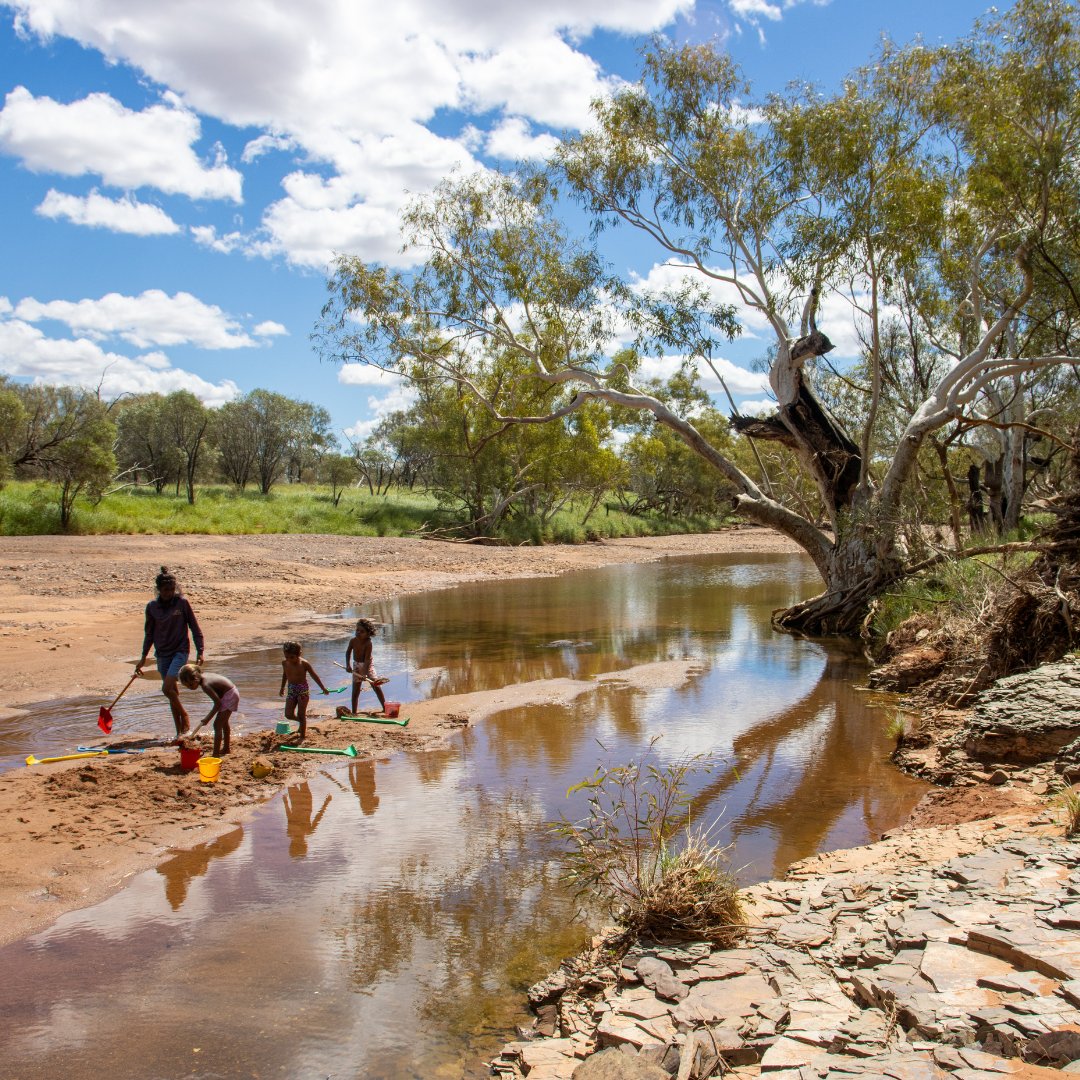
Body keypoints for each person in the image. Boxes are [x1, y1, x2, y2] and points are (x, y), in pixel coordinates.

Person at [135, 566, 204, 739]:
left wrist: (200, 650)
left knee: (166, 687)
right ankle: (179, 732)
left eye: (172, 590)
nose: (169, 593)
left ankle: (185, 717)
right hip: (162, 653)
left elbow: (194, 627)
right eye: (166, 590)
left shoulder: (182, 603)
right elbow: (149, 633)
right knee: (171, 692)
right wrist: (143, 657)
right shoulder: (152, 607)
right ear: (158, 590)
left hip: (180, 651)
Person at [178, 664, 238, 757]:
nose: (190, 688)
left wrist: (207, 718)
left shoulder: (205, 685)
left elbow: (217, 704)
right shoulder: (203, 677)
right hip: (229, 693)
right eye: (187, 686)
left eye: (190, 684)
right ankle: (226, 748)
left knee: (217, 725)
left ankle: (215, 754)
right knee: (224, 723)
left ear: (196, 678)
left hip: (229, 696)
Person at [279, 641, 328, 741]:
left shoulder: (304, 664)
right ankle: (302, 723)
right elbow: (285, 675)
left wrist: (323, 688)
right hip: (291, 689)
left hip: (303, 691)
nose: (289, 659)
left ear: (299, 654)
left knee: (301, 714)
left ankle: (302, 736)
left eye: (291, 657)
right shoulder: (285, 663)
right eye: (286, 657)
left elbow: (314, 676)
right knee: (288, 714)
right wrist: (282, 687)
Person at [345, 618, 388, 715]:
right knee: (355, 690)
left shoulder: (368, 643)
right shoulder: (353, 641)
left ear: (368, 634)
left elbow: (367, 660)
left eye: (362, 631)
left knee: (375, 685)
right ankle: (354, 712)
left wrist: (364, 673)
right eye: (357, 630)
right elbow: (348, 652)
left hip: (368, 666)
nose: (358, 633)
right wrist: (347, 665)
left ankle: (385, 707)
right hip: (356, 665)